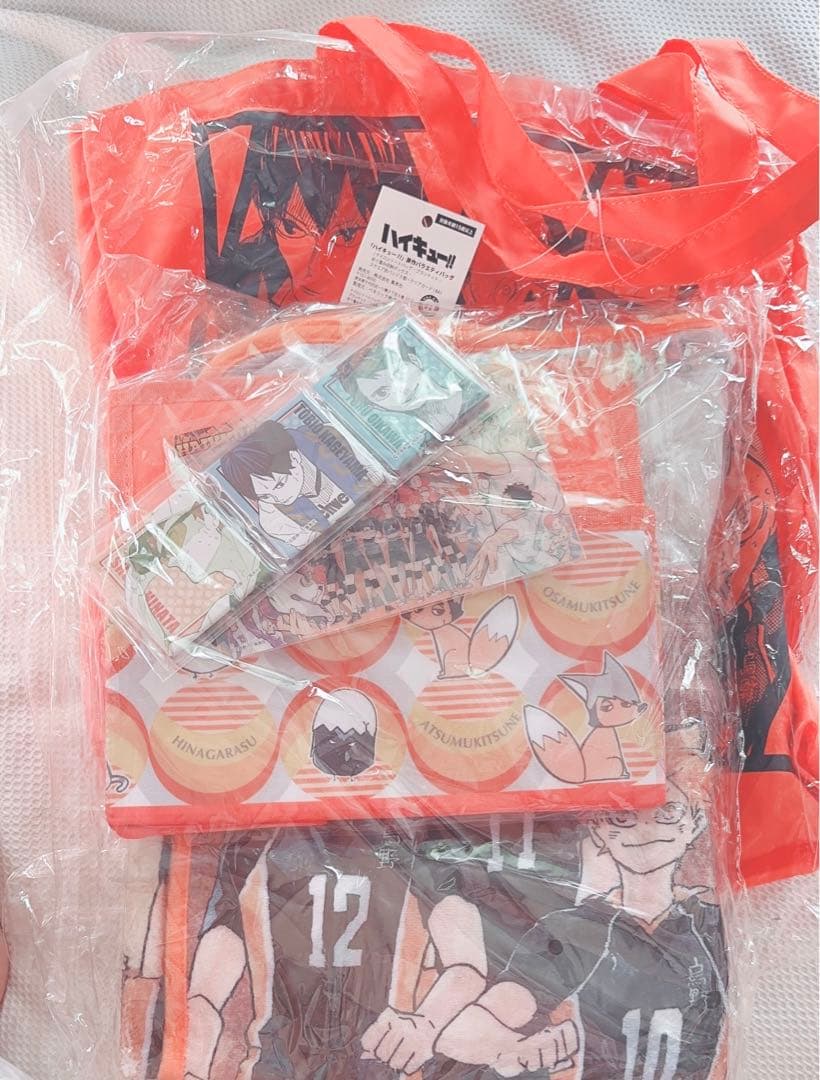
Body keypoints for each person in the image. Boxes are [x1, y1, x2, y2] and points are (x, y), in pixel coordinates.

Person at [435, 776, 728, 1079]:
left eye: (668, 813)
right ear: (597, 830)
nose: (646, 829)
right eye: (622, 818)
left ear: (695, 823)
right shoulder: (577, 928)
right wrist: (512, 1046)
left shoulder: (714, 925)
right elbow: (462, 1031)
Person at [218, 420, 364, 554]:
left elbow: (367, 473)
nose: (278, 498)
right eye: (264, 496)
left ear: (294, 458)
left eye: (280, 484)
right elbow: (321, 545)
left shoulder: (323, 438)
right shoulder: (273, 520)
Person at [525, 652, 648, 784]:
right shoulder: (603, 733)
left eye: (626, 704)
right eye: (607, 707)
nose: (624, 711)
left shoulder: (605, 732)